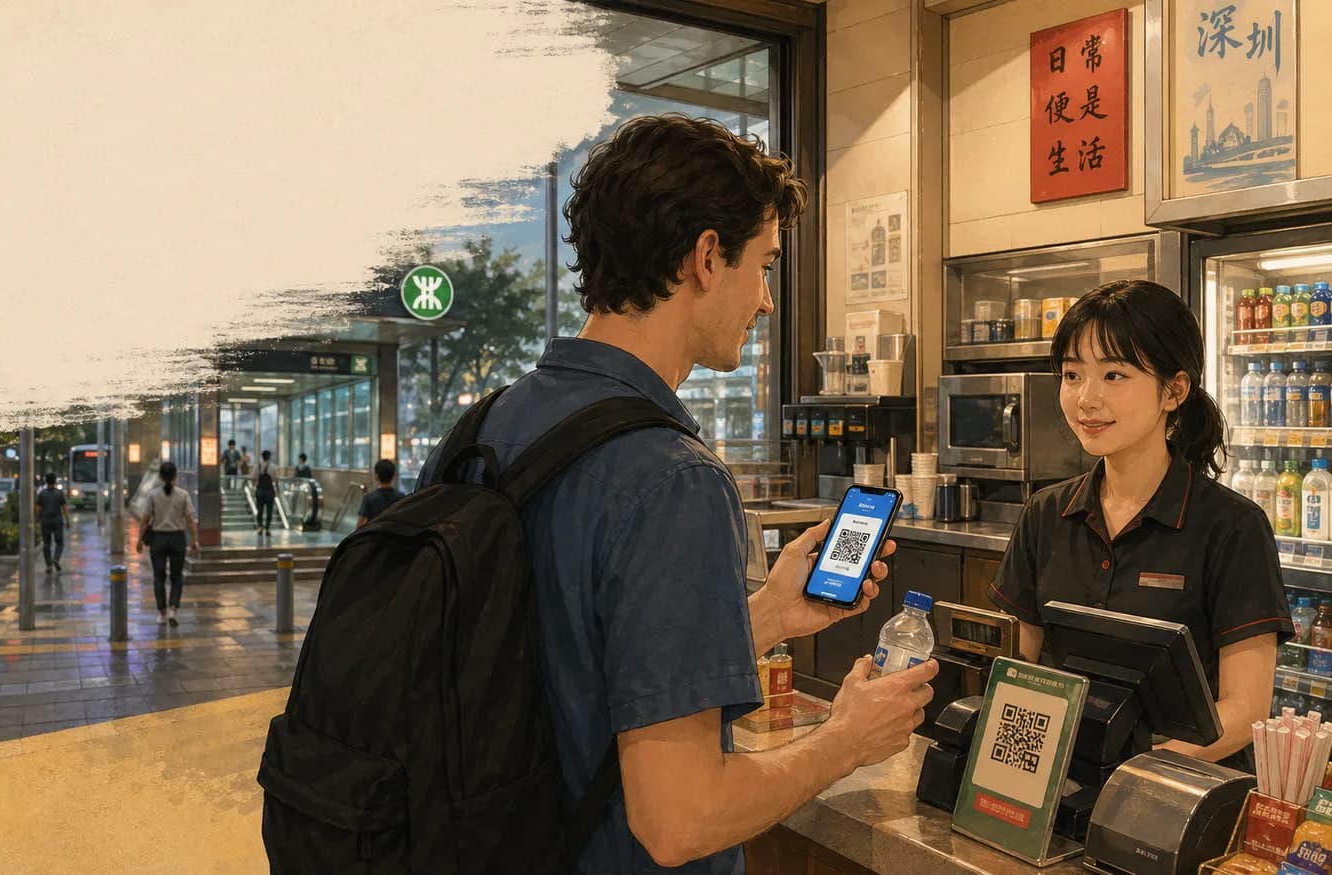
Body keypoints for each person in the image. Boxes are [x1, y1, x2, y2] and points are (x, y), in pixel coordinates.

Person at [415, 114, 936, 872]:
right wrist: (844, 741)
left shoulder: (482, 430)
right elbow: (680, 818)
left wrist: (762, 618)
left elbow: (560, 668)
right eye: (764, 266)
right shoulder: (673, 477)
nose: (765, 302)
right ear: (705, 258)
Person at [988, 280, 1294, 770]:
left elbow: (1244, 710)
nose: (1086, 399)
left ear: (1174, 390)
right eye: (1072, 375)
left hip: (1177, 798)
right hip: (1056, 782)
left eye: (1114, 375)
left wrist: (1133, 771)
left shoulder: (1233, 528)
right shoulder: (1046, 513)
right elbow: (1018, 668)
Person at [136, 461, 201, 627]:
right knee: (176, 577)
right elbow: (190, 520)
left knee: (159, 577)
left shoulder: (152, 495)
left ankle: (162, 613)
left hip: (158, 539)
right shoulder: (183, 494)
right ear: (175, 476)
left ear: (159, 476)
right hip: (177, 539)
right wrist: (194, 541)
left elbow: (144, 520)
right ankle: (173, 610)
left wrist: (139, 540)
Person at [34, 472, 70, 573]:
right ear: (54, 481)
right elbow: (64, 508)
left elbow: (37, 508)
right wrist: (67, 520)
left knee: (46, 543)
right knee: (60, 543)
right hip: (57, 520)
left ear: (46, 481)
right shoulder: (59, 493)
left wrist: (37, 520)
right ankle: (56, 558)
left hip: (45, 521)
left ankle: (49, 565)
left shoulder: (42, 494)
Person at [355, 459, 403, 528]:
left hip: (374, 536)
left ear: (376, 476)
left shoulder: (369, 498)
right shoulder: (401, 497)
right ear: (393, 476)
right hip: (394, 537)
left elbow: (359, 525)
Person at [255, 449, 277, 536]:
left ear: (262, 457)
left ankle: (260, 527)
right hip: (269, 492)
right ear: (269, 457)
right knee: (269, 511)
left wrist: (255, 486)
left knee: (259, 510)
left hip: (260, 491)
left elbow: (253, 478)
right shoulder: (273, 467)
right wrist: (277, 490)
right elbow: (276, 480)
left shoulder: (257, 466)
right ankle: (267, 528)